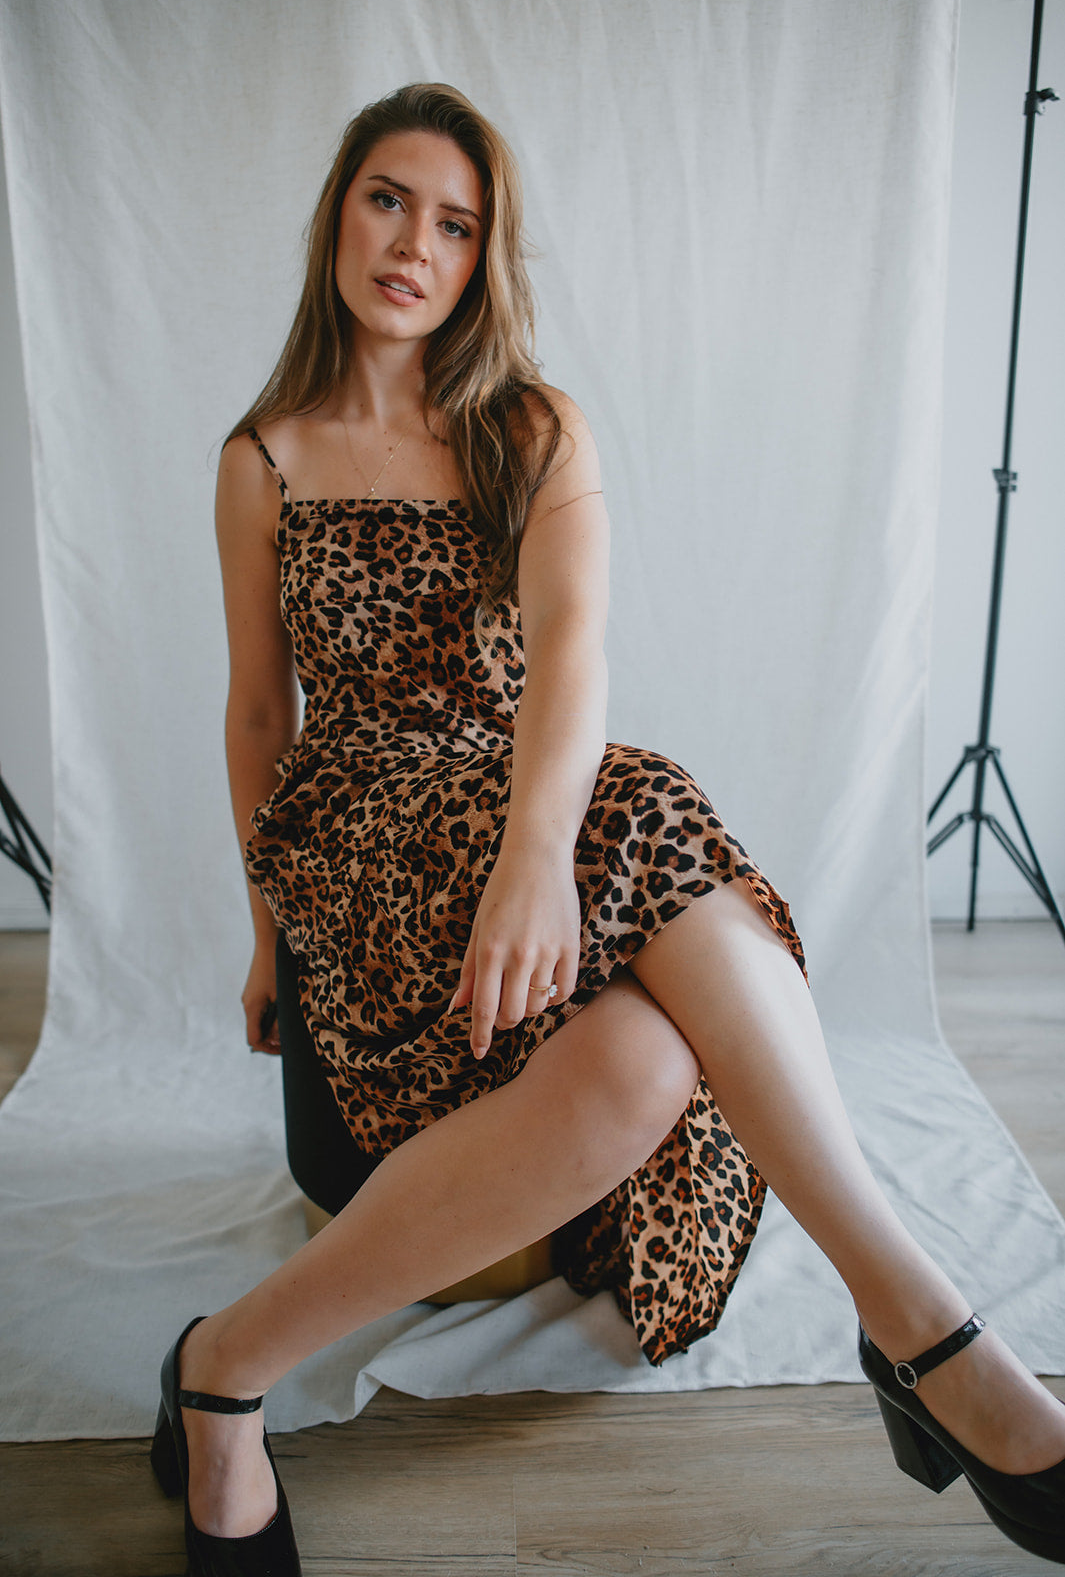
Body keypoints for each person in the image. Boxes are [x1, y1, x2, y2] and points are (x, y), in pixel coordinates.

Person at [150, 83, 1065, 1576]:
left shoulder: (529, 427)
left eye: (457, 225)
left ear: (483, 257)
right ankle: (922, 1330)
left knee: (644, 1043)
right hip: (358, 835)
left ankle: (221, 1366)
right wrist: (271, 938)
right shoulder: (264, 456)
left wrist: (532, 855)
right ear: (337, 216)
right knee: (641, 798)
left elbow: (570, 660)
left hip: (525, 800)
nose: (415, 245)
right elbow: (262, 717)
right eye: (389, 201)